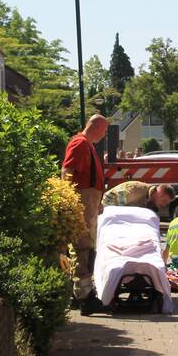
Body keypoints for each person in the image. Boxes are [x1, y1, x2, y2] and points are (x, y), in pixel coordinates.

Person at [61, 114, 109, 311]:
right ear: (96, 127)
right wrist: (70, 200)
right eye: (104, 131)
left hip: (88, 202)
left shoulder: (86, 145)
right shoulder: (80, 143)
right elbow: (67, 171)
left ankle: (79, 293)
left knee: (85, 248)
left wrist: (97, 203)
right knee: (84, 248)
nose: (104, 135)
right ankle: (85, 297)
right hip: (83, 202)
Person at [102, 180, 175, 215]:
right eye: (164, 201)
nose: (164, 205)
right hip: (107, 206)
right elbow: (119, 206)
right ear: (160, 194)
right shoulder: (136, 191)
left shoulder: (148, 199)